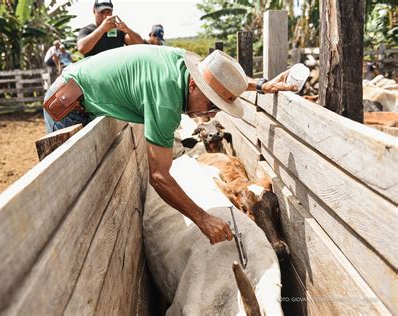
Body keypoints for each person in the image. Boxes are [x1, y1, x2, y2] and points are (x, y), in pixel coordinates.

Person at [43, 45, 296, 245]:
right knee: (72, 202)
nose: (212, 114)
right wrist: (203, 218)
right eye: (212, 104)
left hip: (79, 88)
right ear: (195, 85)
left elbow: (218, 78)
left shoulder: (186, 66)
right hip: (68, 106)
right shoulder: (166, 102)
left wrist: (260, 85)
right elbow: (158, 177)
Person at [77, 0, 143, 57]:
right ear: (94, 11)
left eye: (108, 12)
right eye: (101, 12)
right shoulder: (87, 30)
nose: (105, 16)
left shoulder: (119, 31)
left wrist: (128, 31)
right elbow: (82, 49)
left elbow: (139, 45)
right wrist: (102, 29)